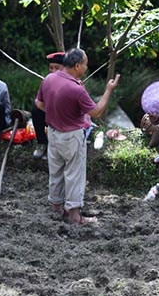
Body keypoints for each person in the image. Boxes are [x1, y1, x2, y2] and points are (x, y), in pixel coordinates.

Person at [35, 48, 120, 225]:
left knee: (56, 171)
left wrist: (55, 111)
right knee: (74, 174)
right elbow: (96, 112)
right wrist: (108, 90)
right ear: (76, 65)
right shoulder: (76, 89)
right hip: (71, 136)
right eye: (85, 64)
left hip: (52, 133)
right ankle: (74, 215)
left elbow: (39, 103)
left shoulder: (49, 78)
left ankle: (56, 208)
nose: (86, 67)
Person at [31, 51, 65, 159]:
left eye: (57, 68)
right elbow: (39, 102)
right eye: (51, 68)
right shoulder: (46, 81)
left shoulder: (73, 83)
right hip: (51, 115)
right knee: (35, 110)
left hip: (67, 120)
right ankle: (42, 143)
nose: (53, 71)